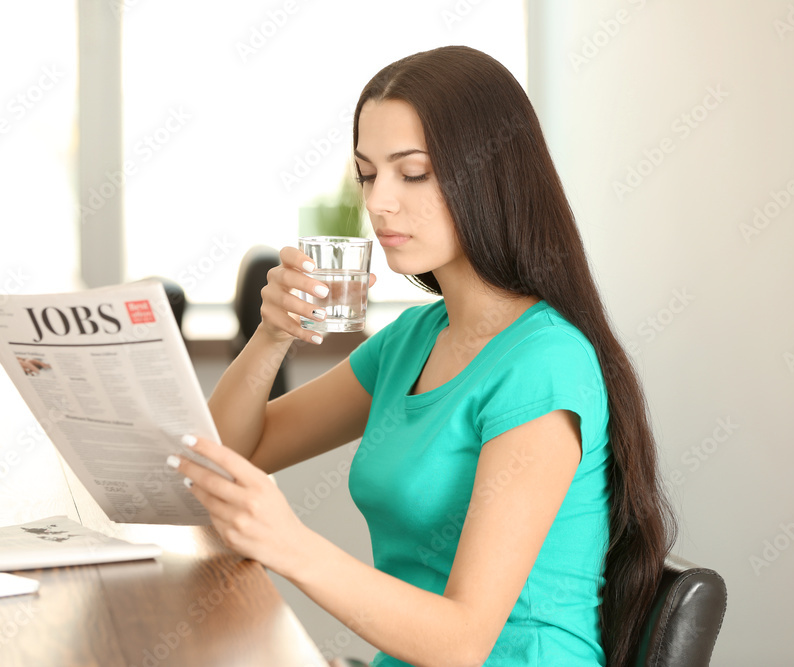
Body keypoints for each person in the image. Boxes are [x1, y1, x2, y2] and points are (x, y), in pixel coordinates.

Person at [168, 45, 676, 667]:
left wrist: (289, 543)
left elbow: (463, 642)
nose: (379, 202)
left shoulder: (545, 363)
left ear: (489, 176)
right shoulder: (414, 339)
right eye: (367, 173)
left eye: (412, 173)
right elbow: (227, 457)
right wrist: (271, 335)